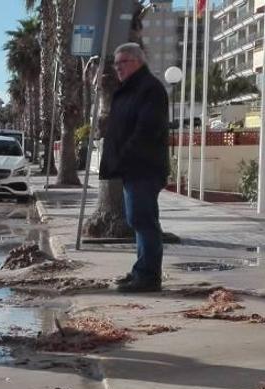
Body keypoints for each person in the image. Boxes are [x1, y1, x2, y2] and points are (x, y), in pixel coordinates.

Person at [98, 43, 169, 293]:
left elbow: (147, 130)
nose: (118, 68)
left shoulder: (150, 89)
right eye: (115, 64)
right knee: (137, 220)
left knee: (144, 220)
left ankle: (149, 277)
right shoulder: (130, 89)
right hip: (132, 168)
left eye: (122, 63)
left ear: (138, 61)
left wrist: (124, 155)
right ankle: (141, 270)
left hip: (144, 167)